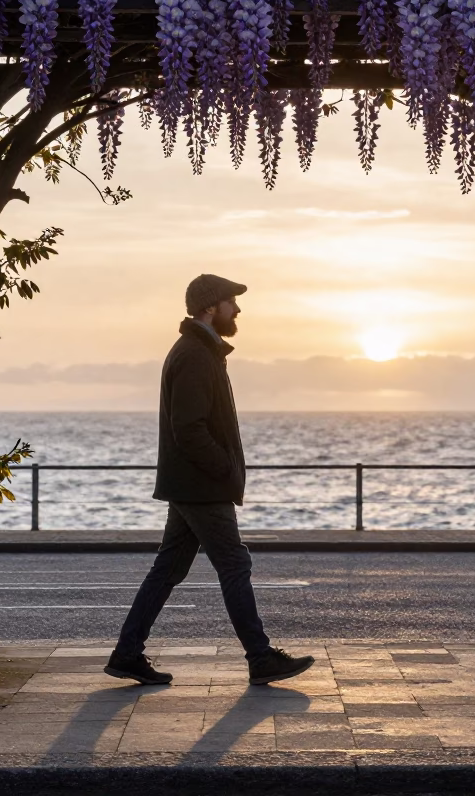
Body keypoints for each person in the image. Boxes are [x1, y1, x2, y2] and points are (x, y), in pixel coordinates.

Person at [105, 274, 315, 687]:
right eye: (231, 302)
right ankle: (260, 657)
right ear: (209, 307)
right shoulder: (196, 356)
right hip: (201, 486)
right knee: (234, 564)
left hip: (190, 485)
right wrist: (223, 469)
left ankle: (127, 653)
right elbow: (190, 429)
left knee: (168, 569)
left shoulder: (199, 352)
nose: (237, 310)